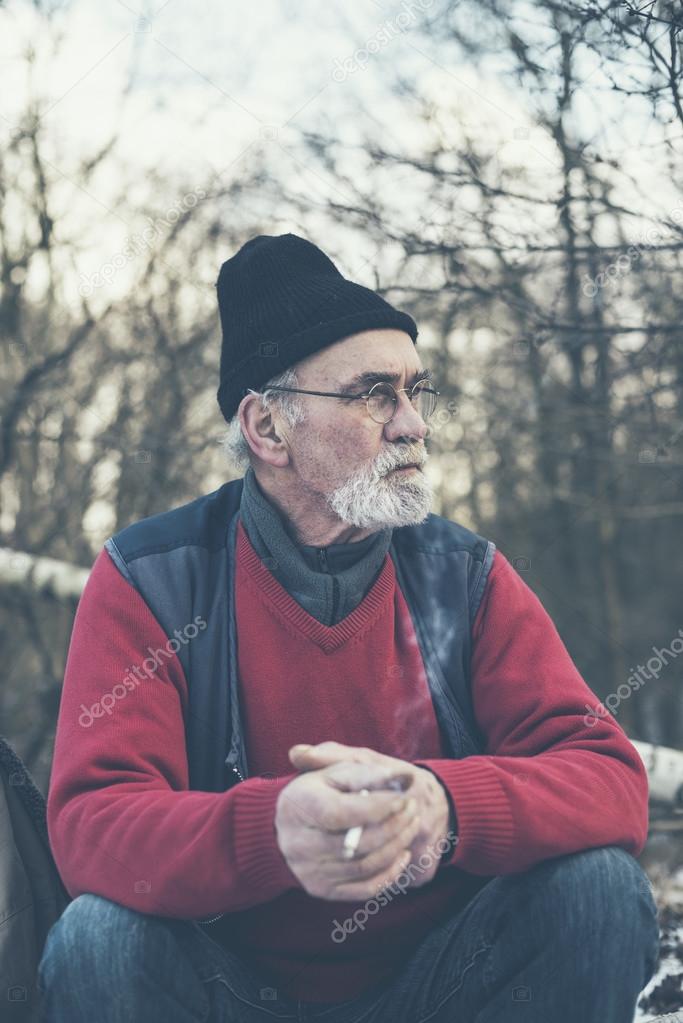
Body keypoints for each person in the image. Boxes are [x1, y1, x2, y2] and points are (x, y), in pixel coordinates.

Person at [38, 233, 659, 1022]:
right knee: (97, 939)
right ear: (267, 429)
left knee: (597, 889)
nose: (412, 426)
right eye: (372, 393)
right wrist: (273, 831)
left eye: (414, 391)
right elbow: (92, 825)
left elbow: (606, 776)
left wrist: (445, 804)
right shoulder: (151, 576)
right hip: (227, 992)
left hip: (436, 986)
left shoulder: (463, 576)